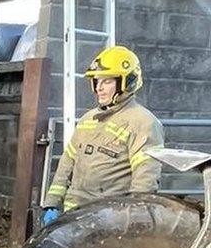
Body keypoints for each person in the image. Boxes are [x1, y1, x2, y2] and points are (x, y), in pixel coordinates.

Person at [42, 45, 163, 224]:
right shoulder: (87, 120)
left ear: (126, 83)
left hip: (108, 219)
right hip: (72, 217)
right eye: (97, 81)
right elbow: (67, 163)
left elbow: (145, 178)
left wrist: (132, 219)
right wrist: (51, 204)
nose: (99, 87)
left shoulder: (143, 122)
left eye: (106, 81)